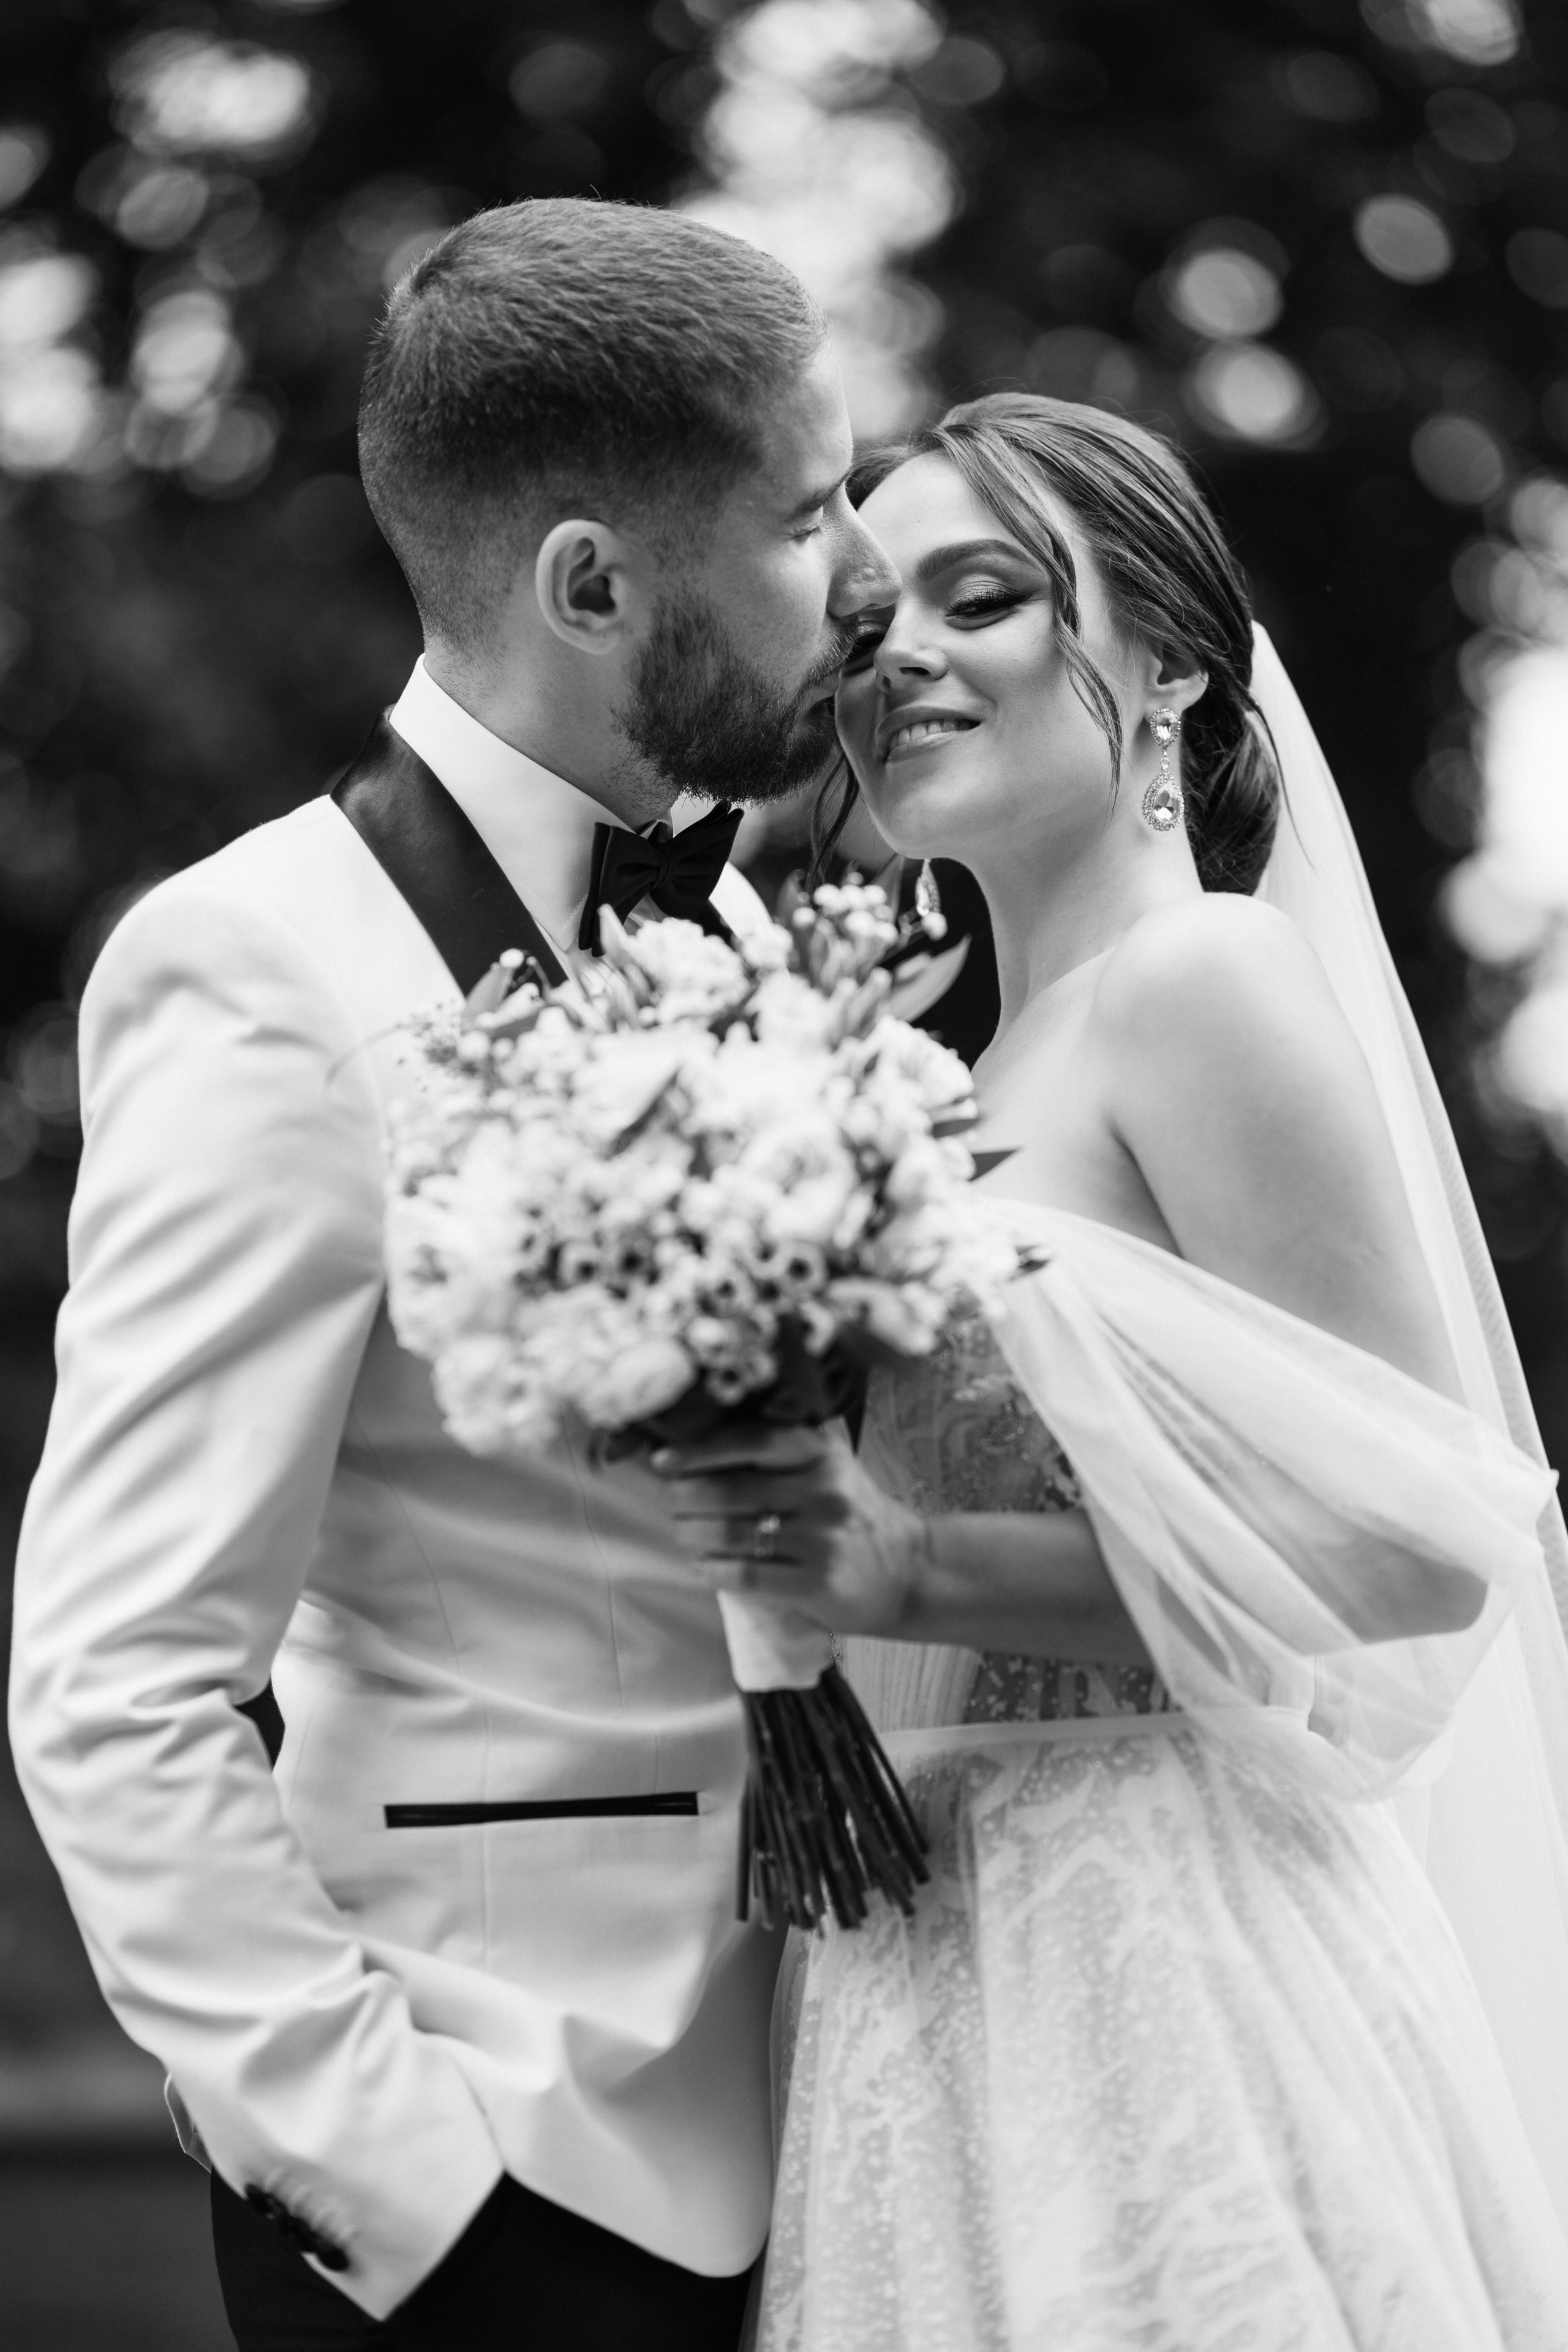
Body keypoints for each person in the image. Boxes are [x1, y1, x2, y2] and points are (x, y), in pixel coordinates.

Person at [7, 198, 897, 2351]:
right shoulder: (260, 970)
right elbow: (118, 1686)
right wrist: (403, 2201)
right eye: (807, 519)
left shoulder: (775, 937)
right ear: (592, 583)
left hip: (856, 2124)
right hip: (512, 2182)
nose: (868, 582)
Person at [655, 394, 1568, 2348]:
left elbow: (1416, 1555)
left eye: (983, 597)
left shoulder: (1204, 984)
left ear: (1166, 662)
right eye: (869, 617)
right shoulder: (935, 1083)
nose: (897, 654)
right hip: (925, 1969)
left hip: (1171, 1953)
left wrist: (893, 1582)